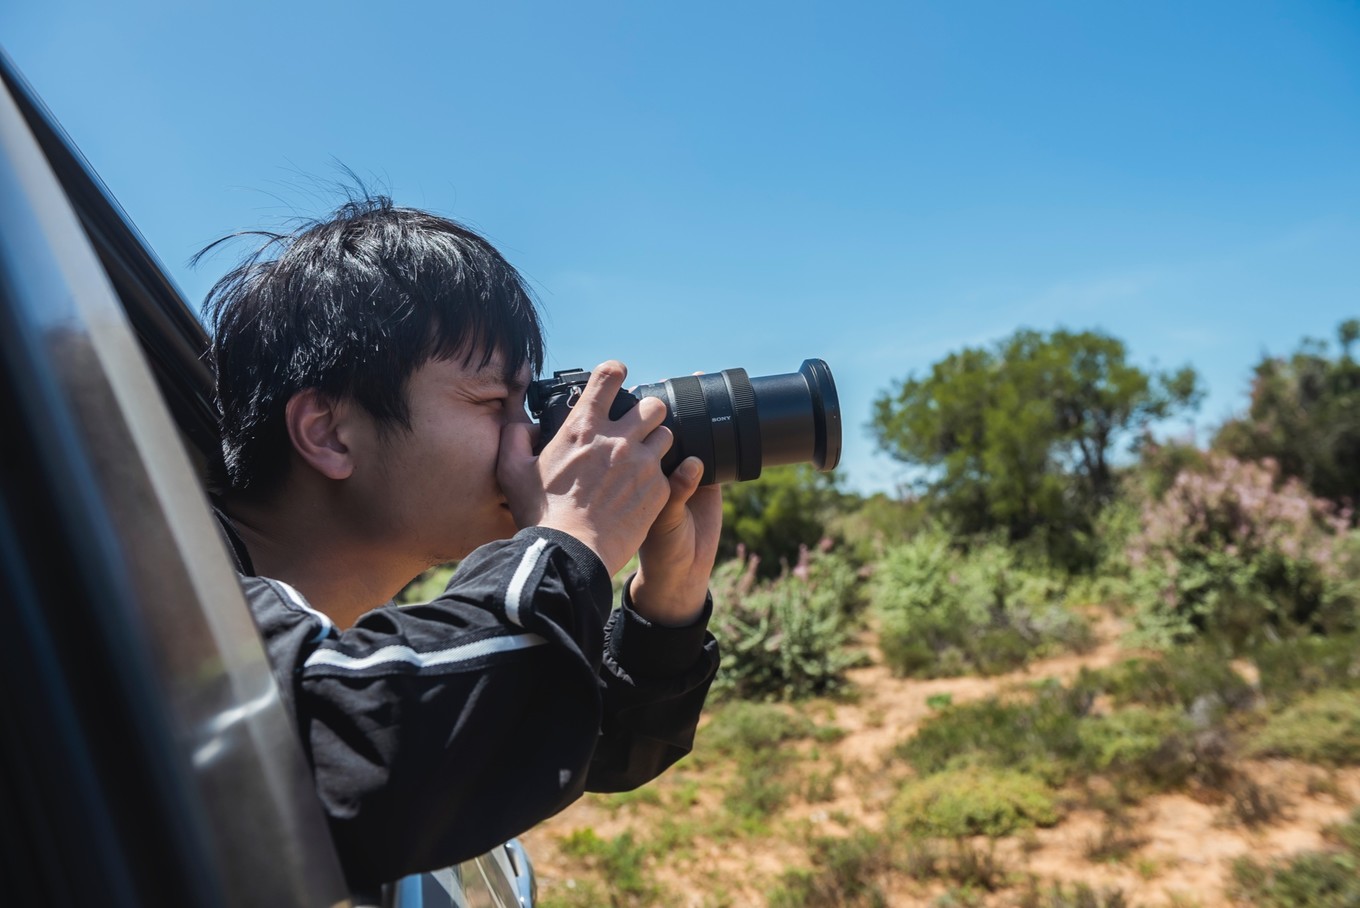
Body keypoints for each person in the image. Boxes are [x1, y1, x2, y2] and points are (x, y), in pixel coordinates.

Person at [201, 194, 723, 892]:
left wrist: (669, 599)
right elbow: (358, 759)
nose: (533, 441)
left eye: (528, 406)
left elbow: (528, 735)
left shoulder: (300, 632)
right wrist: (569, 538)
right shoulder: (172, 605)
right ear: (328, 432)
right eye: (491, 404)